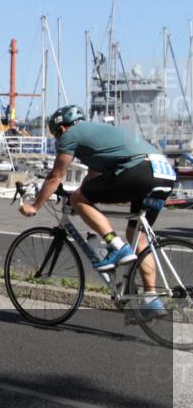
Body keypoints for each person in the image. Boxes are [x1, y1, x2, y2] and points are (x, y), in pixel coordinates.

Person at [19, 105, 176, 316]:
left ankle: (116, 246)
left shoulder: (71, 134)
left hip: (141, 172)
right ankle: (151, 298)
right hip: (164, 174)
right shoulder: (96, 135)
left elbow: (56, 176)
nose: (57, 141)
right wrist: (80, 197)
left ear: (62, 128)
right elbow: (92, 179)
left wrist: (35, 206)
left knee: (78, 199)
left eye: (55, 135)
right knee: (138, 238)